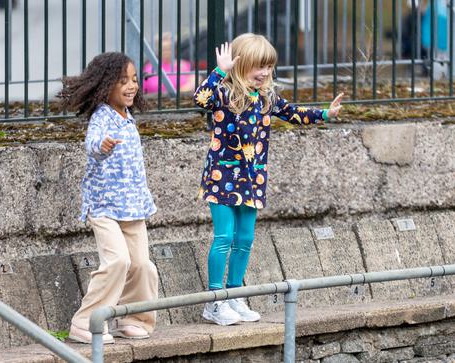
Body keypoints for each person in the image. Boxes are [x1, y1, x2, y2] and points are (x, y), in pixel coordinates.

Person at [194, 33, 343, 326]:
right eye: (257, 66)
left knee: (245, 239)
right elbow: (200, 98)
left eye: (268, 66)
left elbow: (294, 113)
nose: (264, 73)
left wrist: (325, 113)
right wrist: (219, 71)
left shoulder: (266, 98)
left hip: (251, 179)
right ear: (240, 65)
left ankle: (234, 294)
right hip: (222, 175)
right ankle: (214, 302)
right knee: (224, 237)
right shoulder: (224, 93)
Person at [58, 52, 158, 344]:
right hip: (103, 206)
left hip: (133, 205)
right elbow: (93, 144)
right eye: (123, 80)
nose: (131, 86)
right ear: (105, 85)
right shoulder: (102, 116)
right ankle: (85, 322)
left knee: (141, 265)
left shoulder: (129, 118)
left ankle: (135, 318)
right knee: (117, 262)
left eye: (135, 79)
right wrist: (102, 146)